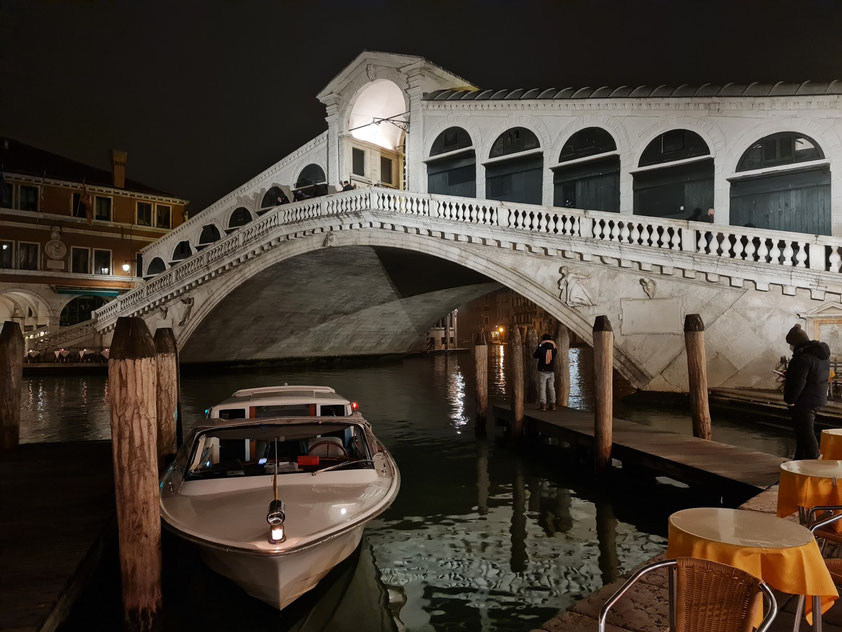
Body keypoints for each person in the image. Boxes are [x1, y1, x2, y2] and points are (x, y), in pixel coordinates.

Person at [783, 324, 830, 459]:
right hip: (818, 397)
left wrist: (790, 401)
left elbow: (798, 383)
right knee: (802, 431)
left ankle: (813, 461)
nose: (790, 347)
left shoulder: (802, 357)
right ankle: (799, 460)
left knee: (805, 432)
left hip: (804, 400)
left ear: (796, 342)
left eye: (791, 344)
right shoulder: (821, 355)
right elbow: (814, 375)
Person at [532, 333, 558, 411]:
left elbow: (535, 355)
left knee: (542, 388)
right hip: (551, 371)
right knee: (551, 387)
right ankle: (553, 405)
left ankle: (543, 405)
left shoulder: (541, 349)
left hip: (542, 371)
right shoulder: (554, 350)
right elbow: (554, 349)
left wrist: (540, 345)